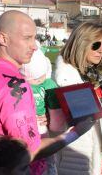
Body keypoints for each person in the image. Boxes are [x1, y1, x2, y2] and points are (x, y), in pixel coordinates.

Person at [0, 10, 94, 175]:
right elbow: (30, 151)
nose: (35, 46)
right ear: (3, 39)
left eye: (34, 38)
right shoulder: (16, 84)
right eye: (27, 38)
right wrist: (76, 132)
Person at [54, 21, 102, 175]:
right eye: (96, 45)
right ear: (81, 44)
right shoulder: (62, 80)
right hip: (78, 162)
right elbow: (54, 129)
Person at [20, 41, 59, 174]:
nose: (37, 81)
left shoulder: (48, 83)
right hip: (26, 123)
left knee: (47, 146)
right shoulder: (21, 85)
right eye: (33, 79)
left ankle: (51, 167)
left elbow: (56, 105)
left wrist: (51, 115)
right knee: (30, 149)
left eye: (40, 76)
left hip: (42, 123)